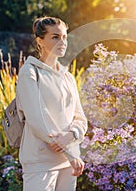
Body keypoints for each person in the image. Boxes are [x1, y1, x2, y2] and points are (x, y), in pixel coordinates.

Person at [16, 16, 87, 191]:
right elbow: (38, 120)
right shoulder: (30, 73)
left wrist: (72, 135)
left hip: (69, 162)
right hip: (41, 161)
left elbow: (80, 118)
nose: (62, 41)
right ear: (40, 41)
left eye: (64, 36)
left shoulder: (68, 77)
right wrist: (69, 152)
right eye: (55, 37)